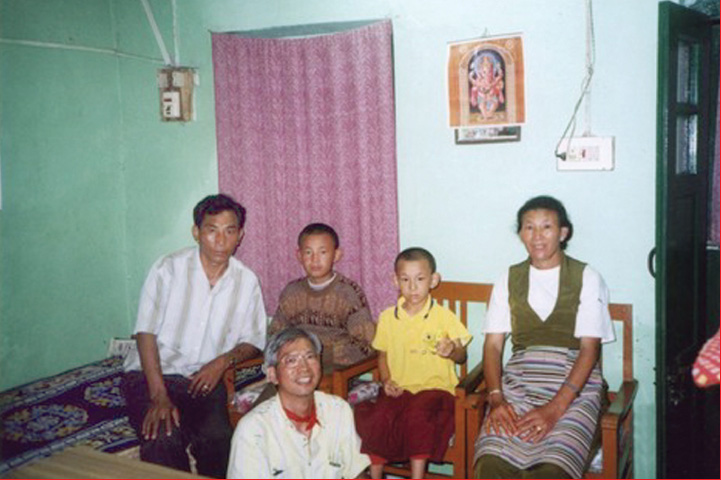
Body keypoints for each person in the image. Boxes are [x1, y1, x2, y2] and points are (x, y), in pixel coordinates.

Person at [122, 194, 267, 478]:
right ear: (196, 232)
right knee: (161, 438)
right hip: (152, 375)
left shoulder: (247, 281)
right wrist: (159, 394)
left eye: (230, 231)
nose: (221, 240)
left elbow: (254, 340)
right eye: (212, 230)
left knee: (219, 439)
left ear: (241, 236)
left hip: (203, 379)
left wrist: (221, 362)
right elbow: (145, 333)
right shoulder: (168, 269)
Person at [473, 195, 615, 479]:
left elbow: (589, 350)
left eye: (546, 227)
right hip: (520, 383)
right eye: (529, 228)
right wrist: (497, 398)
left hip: (573, 389)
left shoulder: (587, 277)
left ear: (563, 233)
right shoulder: (508, 279)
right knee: (491, 465)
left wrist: (555, 409)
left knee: (551, 470)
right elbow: (492, 346)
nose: (537, 236)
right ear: (520, 234)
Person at [354, 247, 472, 479]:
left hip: (437, 391)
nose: (413, 286)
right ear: (395, 280)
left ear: (433, 280)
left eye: (420, 279)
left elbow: (463, 356)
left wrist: (452, 351)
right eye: (405, 280)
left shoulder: (443, 316)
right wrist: (387, 380)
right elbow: (383, 355)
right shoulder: (389, 317)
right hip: (400, 390)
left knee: (418, 413)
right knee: (379, 415)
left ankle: (416, 476)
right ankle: (375, 474)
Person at [227, 327, 370, 479]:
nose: (304, 368)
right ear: (272, 375)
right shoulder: (253, 430)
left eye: (310, 357)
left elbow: (357, 474)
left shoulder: (338, 410)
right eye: (291, 360)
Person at [269, 223, 375, 366]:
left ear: (336, 255)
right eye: (308, 253)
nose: (315, 260)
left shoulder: (348, 293)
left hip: (337, 372)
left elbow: (365, 344)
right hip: (295, 368)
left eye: (323, 252)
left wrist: (320, 355)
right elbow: (275, 335)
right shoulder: (291, 292)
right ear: (299, 255)